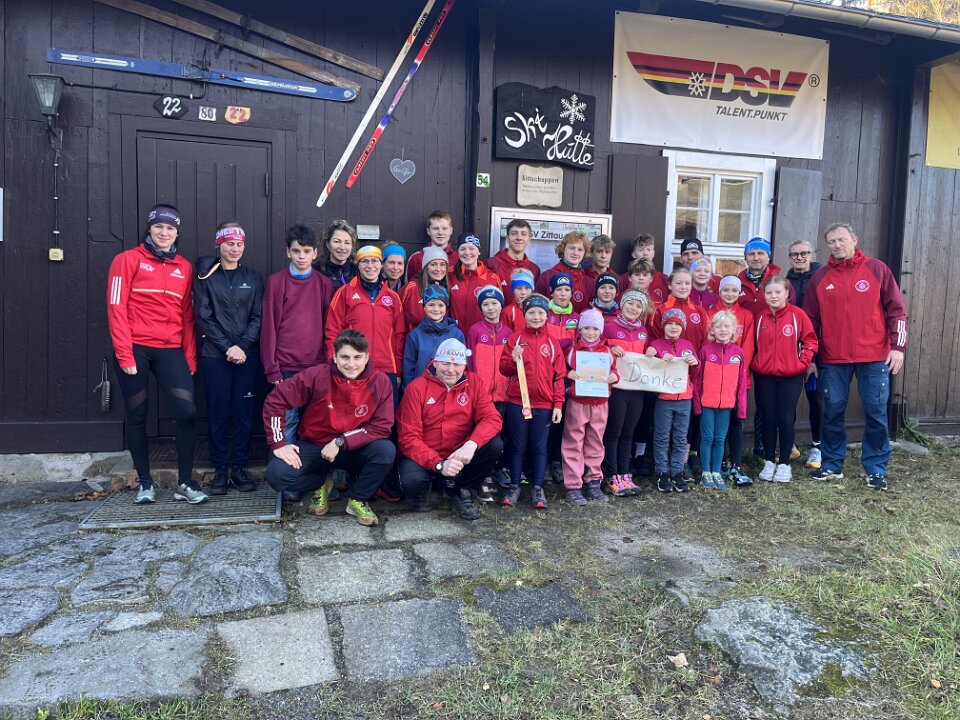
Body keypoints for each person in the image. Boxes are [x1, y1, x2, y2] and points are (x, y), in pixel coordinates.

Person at [106, 203, 205, 505]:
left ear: (177, 232)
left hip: (170, 349)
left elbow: (187, 316)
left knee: (187, 413)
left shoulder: (184, 268)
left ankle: (185, 483)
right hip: (135, 348)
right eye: (159, 226)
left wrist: (190, 357)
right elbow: (116, 307)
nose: (164, 233)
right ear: (149, 228)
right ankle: (145, 483)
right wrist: (124, 354)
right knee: (137, 414)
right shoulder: (126, 260)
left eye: (170, 228)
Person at [803, 222, 907, 491]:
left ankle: (876, 469)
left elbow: (897, 310)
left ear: (854, 239)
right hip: (833, 358)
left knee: (875, 411)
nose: (837, 245)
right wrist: (811, 358)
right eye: (831, 241)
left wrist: (898, 347)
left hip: (874, 356)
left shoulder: (876, 269)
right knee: (833, 410)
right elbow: (810, 322)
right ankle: (832, 465)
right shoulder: (820, 277)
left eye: (841, 239)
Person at [263, 329, 395, 525]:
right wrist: (278, 443)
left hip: (354, 448)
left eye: (358, 357)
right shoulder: (317, 375)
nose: (351, 364)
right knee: (277, 475)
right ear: (335, 357)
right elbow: (276, 399)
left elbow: (382, 426)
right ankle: (320, 484)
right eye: (345, 357)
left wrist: (341, 441)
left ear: (367, 357)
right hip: (316, 445)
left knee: (385, 451)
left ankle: (357, 498)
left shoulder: (380, 381)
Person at [397, 339, 504, 520]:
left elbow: (492, 418)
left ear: (464, 365)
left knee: (494, 444)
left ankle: (463, 490)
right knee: (411, 482)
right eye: (445, 363)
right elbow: (408, 438)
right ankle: (430, 485)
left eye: (457, 364)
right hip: (426, 453)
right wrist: (439, 464)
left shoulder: (475, 383)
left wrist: (472, 444)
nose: (450, 370)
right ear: (435, 362)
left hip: (459, 453)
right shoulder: (416, 388)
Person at [194, 222, 263, 494]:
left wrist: (242, 345)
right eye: (229, 244)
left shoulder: (253, 278)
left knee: (244, 412)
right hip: (215, 355)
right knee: (218, 412)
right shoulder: (205, 276)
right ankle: (221, 470)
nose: (235, 249)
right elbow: (203, 316)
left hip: (247, 355)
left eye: (239, 244)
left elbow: (258, 316)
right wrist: (227, 347)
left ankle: (240, 468)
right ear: (218, 244)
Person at [261, 224, 334, 443]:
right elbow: (269, 328)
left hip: (315, 365)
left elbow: (329, 327)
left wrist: (327, 363)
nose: (301, 256)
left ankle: (308, 464)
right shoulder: (276, 282)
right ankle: (283, 464)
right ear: (288, 252)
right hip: (285, 366)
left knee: (313, 422)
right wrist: (272, 369)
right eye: (296, 251)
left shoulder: (324, 284)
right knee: (288, 420)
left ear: (315, 253)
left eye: (306, 251)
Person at [499, 294, 566, 509]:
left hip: (544, 405)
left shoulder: (552, 343)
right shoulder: (515, 340)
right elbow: (504, 369)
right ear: (524, 315)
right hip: (518, 403)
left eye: (540, 313)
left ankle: (538, 487)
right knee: (517, 445)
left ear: (547, 315)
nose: (536, 317)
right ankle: (514, 486)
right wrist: (513, 359)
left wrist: (558, 405)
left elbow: (559, 377)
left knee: (539, 447)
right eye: (531, 313)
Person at [752, 276, 818, 483]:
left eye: (778, 292)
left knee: (786, 418)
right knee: (768, 417)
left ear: (787, 294)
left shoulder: (798, 315)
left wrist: (801, 363)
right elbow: (751, 344)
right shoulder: (760, 317)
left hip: (791, 376)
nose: (773, 296)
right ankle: (769, 461)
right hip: (764, 376)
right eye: (769, 293)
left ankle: (784, 464)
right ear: (764, 295)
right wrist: (756, 363)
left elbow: (810, 342)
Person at [325, 245, 405, 387]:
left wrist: (398, 370)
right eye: (365, 261)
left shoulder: (393, 297)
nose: (370, 266)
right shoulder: (345, 293)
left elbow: (399, 336)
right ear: (358, 265)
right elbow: (332, 331)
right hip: (353, 368)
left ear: (381, 265)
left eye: (374, 261)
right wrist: (335, 365)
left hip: (386, 368)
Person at [562, 309, 618, 505]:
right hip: (578, 402)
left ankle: (594, 482)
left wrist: (614, 377)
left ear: (601, 330)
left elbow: (614, 371)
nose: (591, 332)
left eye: (595, 329)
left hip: (600, 403)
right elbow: (561, 370)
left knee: (595, 442)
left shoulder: (607, 352)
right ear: (580, 329)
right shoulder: (572, 351)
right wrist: (568, 374)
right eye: (586, 328)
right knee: (573, 442)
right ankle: (573, 486)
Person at [707, 276, 756, 485]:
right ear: (719, 291)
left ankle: (735, 464)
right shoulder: (710, 313)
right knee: (714, 425)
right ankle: (715, 464)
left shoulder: (746, 315)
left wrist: (738, 374)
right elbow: (707, 344)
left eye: (734, 290)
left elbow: (748, 348)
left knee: (736, 422)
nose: (729, 294)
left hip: (737, 378)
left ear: (739, 293)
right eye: (725, 290)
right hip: (715, 380)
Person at [601, 289, 650, 496]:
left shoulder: (643, 331)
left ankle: (624, 473)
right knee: (614, 432)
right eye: (630, 303)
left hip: (636, 389)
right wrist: (610, 348)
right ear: (622, 305)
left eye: (638, 306)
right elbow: (596, 347)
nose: (633, 308)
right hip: (617, 389)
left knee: (628, 433)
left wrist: (653, 352)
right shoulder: (609, 328)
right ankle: (611, 475)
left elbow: (648, 359)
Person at [693, 311, 748, 490]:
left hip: (726, 405)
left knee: (720, 438)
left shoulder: (738, 353)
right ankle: (706, 473)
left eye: (726, 326)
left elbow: (742, 382)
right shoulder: (705, 351)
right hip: (707, 404)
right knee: (707, 438)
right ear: (712, 330)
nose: (723, 330)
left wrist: (741, 408)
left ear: (733, 330)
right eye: (718, 326)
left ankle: (716, 472)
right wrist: (697, 404)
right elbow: (697, 380)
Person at [646, 309, 699, 493]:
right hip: (664, 399)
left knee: (680, 437)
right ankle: (662, 472)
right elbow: (648, 370)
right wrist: (657, 359)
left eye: (677, 324)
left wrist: (695, 363)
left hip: (685, 398)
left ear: (683, 327)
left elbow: (695, 374)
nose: (673, 327)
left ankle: (677, 471)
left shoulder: (688, 345)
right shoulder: (656, 345)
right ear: (663, 326)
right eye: (670, 323)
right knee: (661, 436)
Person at [785, 240, 824, 469]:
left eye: (804, 253)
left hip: (815, 349)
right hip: (789, 349)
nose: (799, 258)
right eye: (794, 254)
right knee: (788, 399)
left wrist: (813, 358)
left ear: (812, 254)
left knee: (815, 398)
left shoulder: (821, 279)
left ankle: (817, 447)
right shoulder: (786, 282)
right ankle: (789, 445)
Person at [402, 285, 464, 387]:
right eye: (431, 305)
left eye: (440, 305)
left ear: (446, 308)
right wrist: (410, 389)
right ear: (424, 307)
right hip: (421, 388)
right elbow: (409, 366)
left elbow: (461, 364)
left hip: (447, 388)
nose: (436, 309)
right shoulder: (415, 335)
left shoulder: (456, 334)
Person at [447, 233, 502, 332]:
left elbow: (499, 309)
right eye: (462, 249)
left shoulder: (492, 278)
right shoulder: (449, 274)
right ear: (458, 252)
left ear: (479, 251)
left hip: (482, 336)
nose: (467, 252)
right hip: (454, 335)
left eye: (472, 248)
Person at [537, 231, 592, 312]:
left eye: (580, 250)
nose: (575, 253)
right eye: (572, 248)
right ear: (563, 249)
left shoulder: (588, 283)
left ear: (585, 253)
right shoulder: (546, 277)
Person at [485, 218, 541, 293]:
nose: (519, 238)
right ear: (507, 239)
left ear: (529, 240)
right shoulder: (492, 264)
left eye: (523, 234)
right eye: (514, 233)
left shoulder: (534, 269)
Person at [400, 245, 448, 331]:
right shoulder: (411, 288)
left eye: (442, 264)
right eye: (433, 264)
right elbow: (396, 319)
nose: (438, 269)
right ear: (425, 267)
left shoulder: (445, 289)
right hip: (413, 338)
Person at [738, 237, 787, 317]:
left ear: (768, 257)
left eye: (760, 253)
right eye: (751, 254)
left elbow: (790, 312)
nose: (756, 258)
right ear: (745, 258)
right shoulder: (736, 283)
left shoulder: (782, 283)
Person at [406, 210, 457, 281]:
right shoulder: (416, 258)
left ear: (451, 230)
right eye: (435, 228)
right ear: (428, 231)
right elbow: (409, 285)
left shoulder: (458, 259)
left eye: (444, 228)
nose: (440, 232)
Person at [316, 219, 358, 292]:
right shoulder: (316, 271)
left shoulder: (358, 270)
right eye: (337, 241)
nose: (342, 247)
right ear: (328, 244)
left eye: (347, 243)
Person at [629, 234, 670, 305]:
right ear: (633, 254)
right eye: (640, 250)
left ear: (653, 253)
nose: (645, 253)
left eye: (648, 250)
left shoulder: (664, 279)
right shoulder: (624, 279)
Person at [545, 272, 580, 352]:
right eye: (558, 289)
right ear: (552, 292)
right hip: (549, 356)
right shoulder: (544, 315)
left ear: (571, 293)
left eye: (567, 290)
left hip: (569, 358)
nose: (563, 294)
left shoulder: (577, 317)